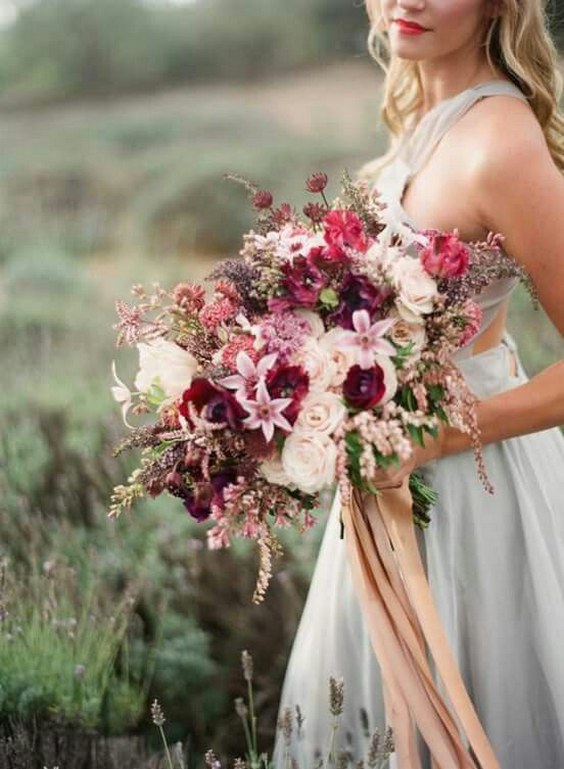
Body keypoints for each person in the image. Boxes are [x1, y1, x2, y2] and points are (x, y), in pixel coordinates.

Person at [273, 0, 564, 767]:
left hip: (472, 491)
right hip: (387, 486)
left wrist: (435, 433)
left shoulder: (500, 143)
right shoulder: (424, 118)